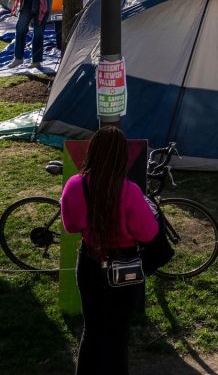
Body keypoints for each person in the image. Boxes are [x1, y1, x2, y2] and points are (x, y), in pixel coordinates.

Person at [60, 125, 159, 374]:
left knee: (92, 330)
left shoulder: (75, 185)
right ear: (121, 158)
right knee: (118, 335)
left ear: (92, 152)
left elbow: (71, 226)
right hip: (124, 264)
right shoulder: (129, 191)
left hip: (90, 261)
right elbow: (148, 233)